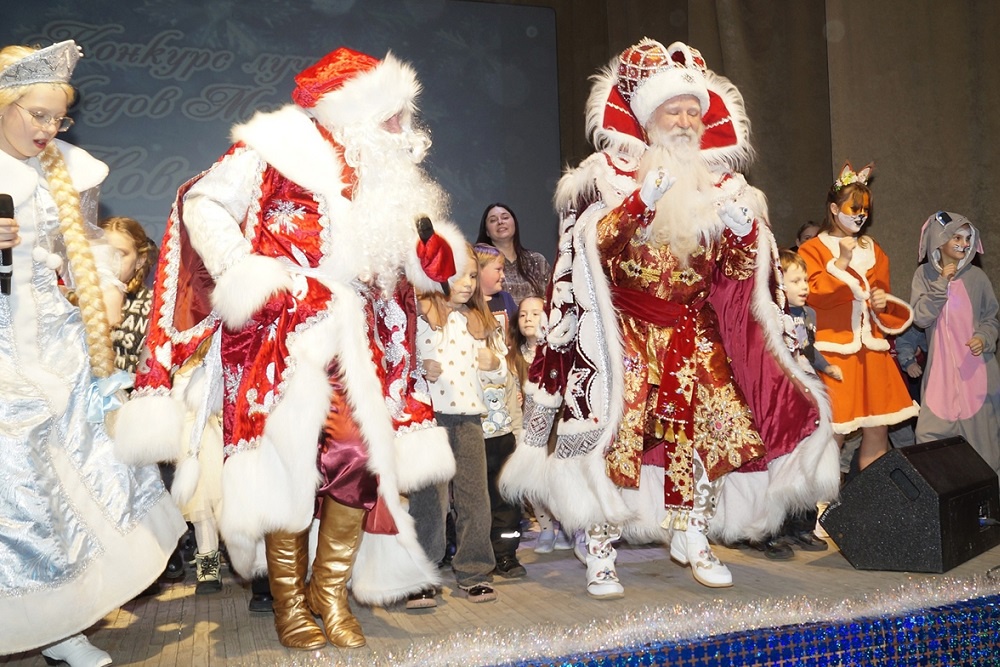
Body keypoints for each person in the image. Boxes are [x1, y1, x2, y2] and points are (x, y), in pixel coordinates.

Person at [113, 46, 465, 649]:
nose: (399, 126)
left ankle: (330, 593)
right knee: (286, 466)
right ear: (353, 109)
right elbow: (203, 202)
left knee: (356, 459)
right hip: (283, 335)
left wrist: (432, 258)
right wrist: (251, 273)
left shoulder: (387, 176)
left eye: (402, 114)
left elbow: (412, 260)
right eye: (389, 113)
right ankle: (289, 600)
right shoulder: (277, 147)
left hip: (359, 341)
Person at [501, 38, 838, 599]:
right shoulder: (606, 178)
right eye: (672, 111)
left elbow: (733, 278)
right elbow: (590, 255)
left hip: (692, 332)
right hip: (623, 334)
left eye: (692, 112)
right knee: (616, 437)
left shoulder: (725, 187)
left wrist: (742, 236)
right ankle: (599, 547)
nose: (684, 122)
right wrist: (638, 206)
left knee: (710, 432)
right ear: (647, 118)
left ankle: (693, 532)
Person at [0, 40, 185, 664]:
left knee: (74, 482)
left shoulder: (70, 171)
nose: (49, 129)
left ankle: (61, 624)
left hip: (57, 347)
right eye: (38, 115)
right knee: (16, 486)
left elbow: (87, 253)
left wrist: (103, 298)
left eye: (59, 118)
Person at [798, 162, 918, 472]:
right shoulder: (812, 249)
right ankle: (824, 500)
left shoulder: (873, 249)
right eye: (855, 207)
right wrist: (840, 264)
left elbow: (882, 299)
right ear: (834, 208)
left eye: (865, 209)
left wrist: (881, 302)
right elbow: (812, 294)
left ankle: (871, 501)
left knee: (877, 430)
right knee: (833, 432)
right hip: (835, 353)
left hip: (872, 352)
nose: (861, 215)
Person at [409, 243, 505, 606]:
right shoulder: (420, 317)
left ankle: (475, 570)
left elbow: (503, 371)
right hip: (429, 420)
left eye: (472, 276)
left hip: (469, 419)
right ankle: (423, 574)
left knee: (474, 496)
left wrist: (494, 363)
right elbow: (399, 361)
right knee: (428, 500)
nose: (467, 283)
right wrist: (421, 367)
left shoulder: (479, 320)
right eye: (459, 275)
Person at [910, 211, 1000, 472]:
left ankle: (989, 497)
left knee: (984, 451)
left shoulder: (977, 278)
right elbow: (920, 318)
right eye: (957, 237)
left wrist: (983, 337)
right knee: (928, 441)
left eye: (968, 238)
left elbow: (991, 319)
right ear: (939, 240)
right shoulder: (924, 276)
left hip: (976, 375)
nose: (964, 243)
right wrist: (941, 284)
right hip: (941, 379)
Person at [506, 295, 574, 554]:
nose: (528, 319)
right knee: (533, 480)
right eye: (523, 315)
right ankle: (545, 529)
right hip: (528, 427)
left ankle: (567, 527)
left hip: (557, 426)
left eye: (535, 313)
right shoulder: (513, 357)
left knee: (559, 479)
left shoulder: (558, 354)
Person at [473, 243, 525, 578]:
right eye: (498, 269)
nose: (504, 276)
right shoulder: (457, 314)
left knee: (506, 491)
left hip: (503, 422)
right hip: (473, 425)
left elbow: (512, 356)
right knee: (476, 494)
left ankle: (506, 554)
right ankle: (474, 552)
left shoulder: (504, 306)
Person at [476, 202, 551, 305]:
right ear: (487, 232)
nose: (500, 222)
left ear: (514, 223)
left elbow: (554, 297)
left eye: (505, 217)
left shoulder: (537, 260)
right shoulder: (478, 262)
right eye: (493, 220)